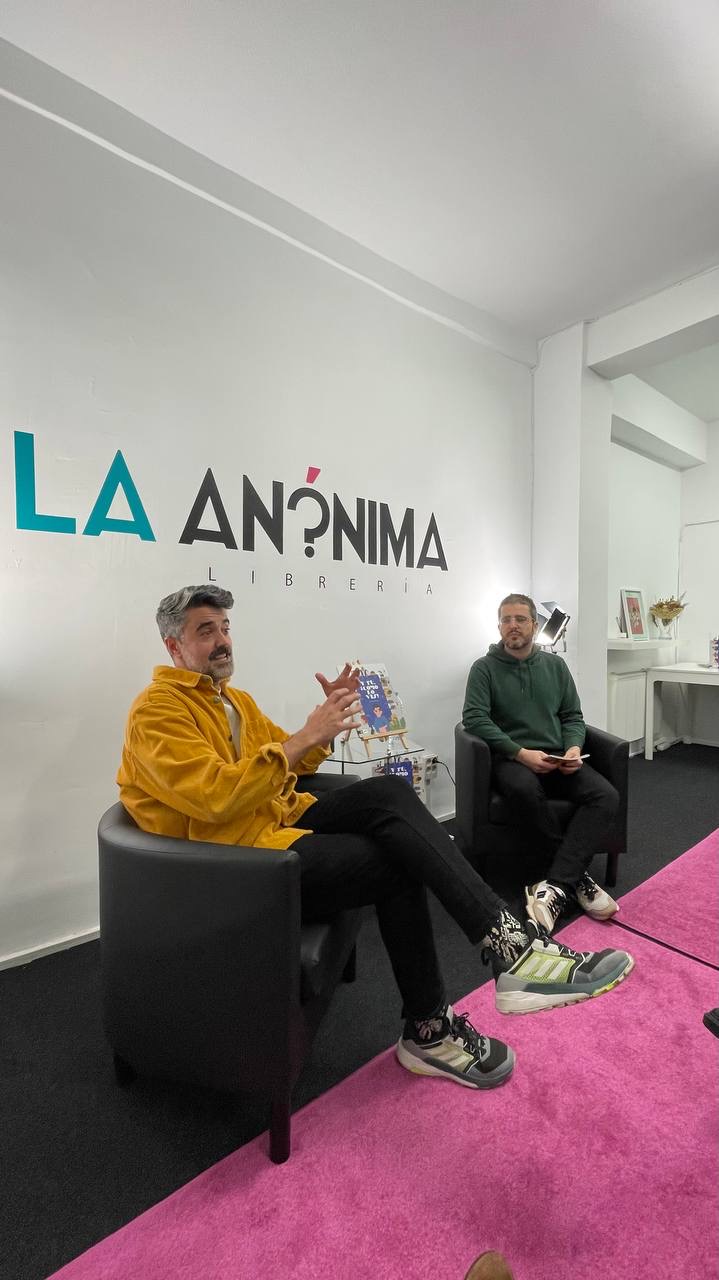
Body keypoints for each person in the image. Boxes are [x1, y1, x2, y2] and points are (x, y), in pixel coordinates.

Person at [118, 585, 633, 1091]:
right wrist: (306, 736)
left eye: (225, 628)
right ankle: (438, 1022)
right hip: (236, 862)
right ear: (173, 645)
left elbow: (288, 763)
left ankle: (506, 947)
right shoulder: (156, 711)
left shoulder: (234, 701)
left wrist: (323, 729)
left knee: (388, 792)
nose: (223, 641)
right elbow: (215, 796)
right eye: (206, 631)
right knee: (396, 861)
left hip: (274, 822)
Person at [463, 593, 620, 934]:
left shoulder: (556, 667)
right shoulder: (484, 668)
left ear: (535, 625)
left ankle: (556, 885)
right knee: (523, 789)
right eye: (506, 620)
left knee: (605, 795)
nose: (513, 626)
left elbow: (572, 716)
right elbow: (474, 718)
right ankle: (578, 880)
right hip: (512, 758)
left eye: (520, 619)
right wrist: (520, 752)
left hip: (557, 757)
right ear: (499, 626)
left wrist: (574, 748)